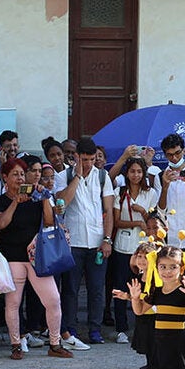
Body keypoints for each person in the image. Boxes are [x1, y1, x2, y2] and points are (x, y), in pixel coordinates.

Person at [0, 158, 71, 360]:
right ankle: (16, 344)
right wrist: (15, 202)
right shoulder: (0, 201)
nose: (19, 178)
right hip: (12, 258)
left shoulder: (36, 197)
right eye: (15, 174)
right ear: (5, 178)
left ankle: (54, 343)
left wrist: (44, 197)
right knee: (13, 303)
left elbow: (50, 221)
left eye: (21, 174)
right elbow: (1, 223)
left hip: (38, 257)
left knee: (53, 300)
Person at [58, 136, 114, 348]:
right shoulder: (64, 175)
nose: (89, 163)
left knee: (96, 288)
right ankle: (70, 328)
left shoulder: (103, 176)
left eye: (92, 159)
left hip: (97, 240)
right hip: (73, 241)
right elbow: (62, 202)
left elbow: (108, 211)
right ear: (75, 157)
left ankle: (95, 329)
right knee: (70, 288)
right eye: (84, 159)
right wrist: (77, 177)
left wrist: (108, 239)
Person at [112, 157, 158, 341]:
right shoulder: (119, 192)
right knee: (122, 286)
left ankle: (144, 326)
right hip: (123, 247)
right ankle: (121, 329)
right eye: (132, 171)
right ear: (127, 172)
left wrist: (143, 212)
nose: (136, 175)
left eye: (139, 171)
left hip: (145, 249)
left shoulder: (151, 193)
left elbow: (154, 222)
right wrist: (137, 221)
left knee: (147, 288)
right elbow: (116, 221)